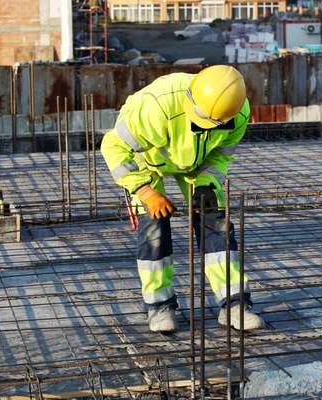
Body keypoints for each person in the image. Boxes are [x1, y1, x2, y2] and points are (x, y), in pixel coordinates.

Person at [101, 65, 265, 333]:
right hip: (148, 163)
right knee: (155, 228)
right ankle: (159, 307)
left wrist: (206, 185)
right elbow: (113, 147)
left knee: (215, 224)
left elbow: (220, 156)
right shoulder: (158, 106)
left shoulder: (237, 113)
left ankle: (235, 304)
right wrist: (144, 191)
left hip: (196, 164)